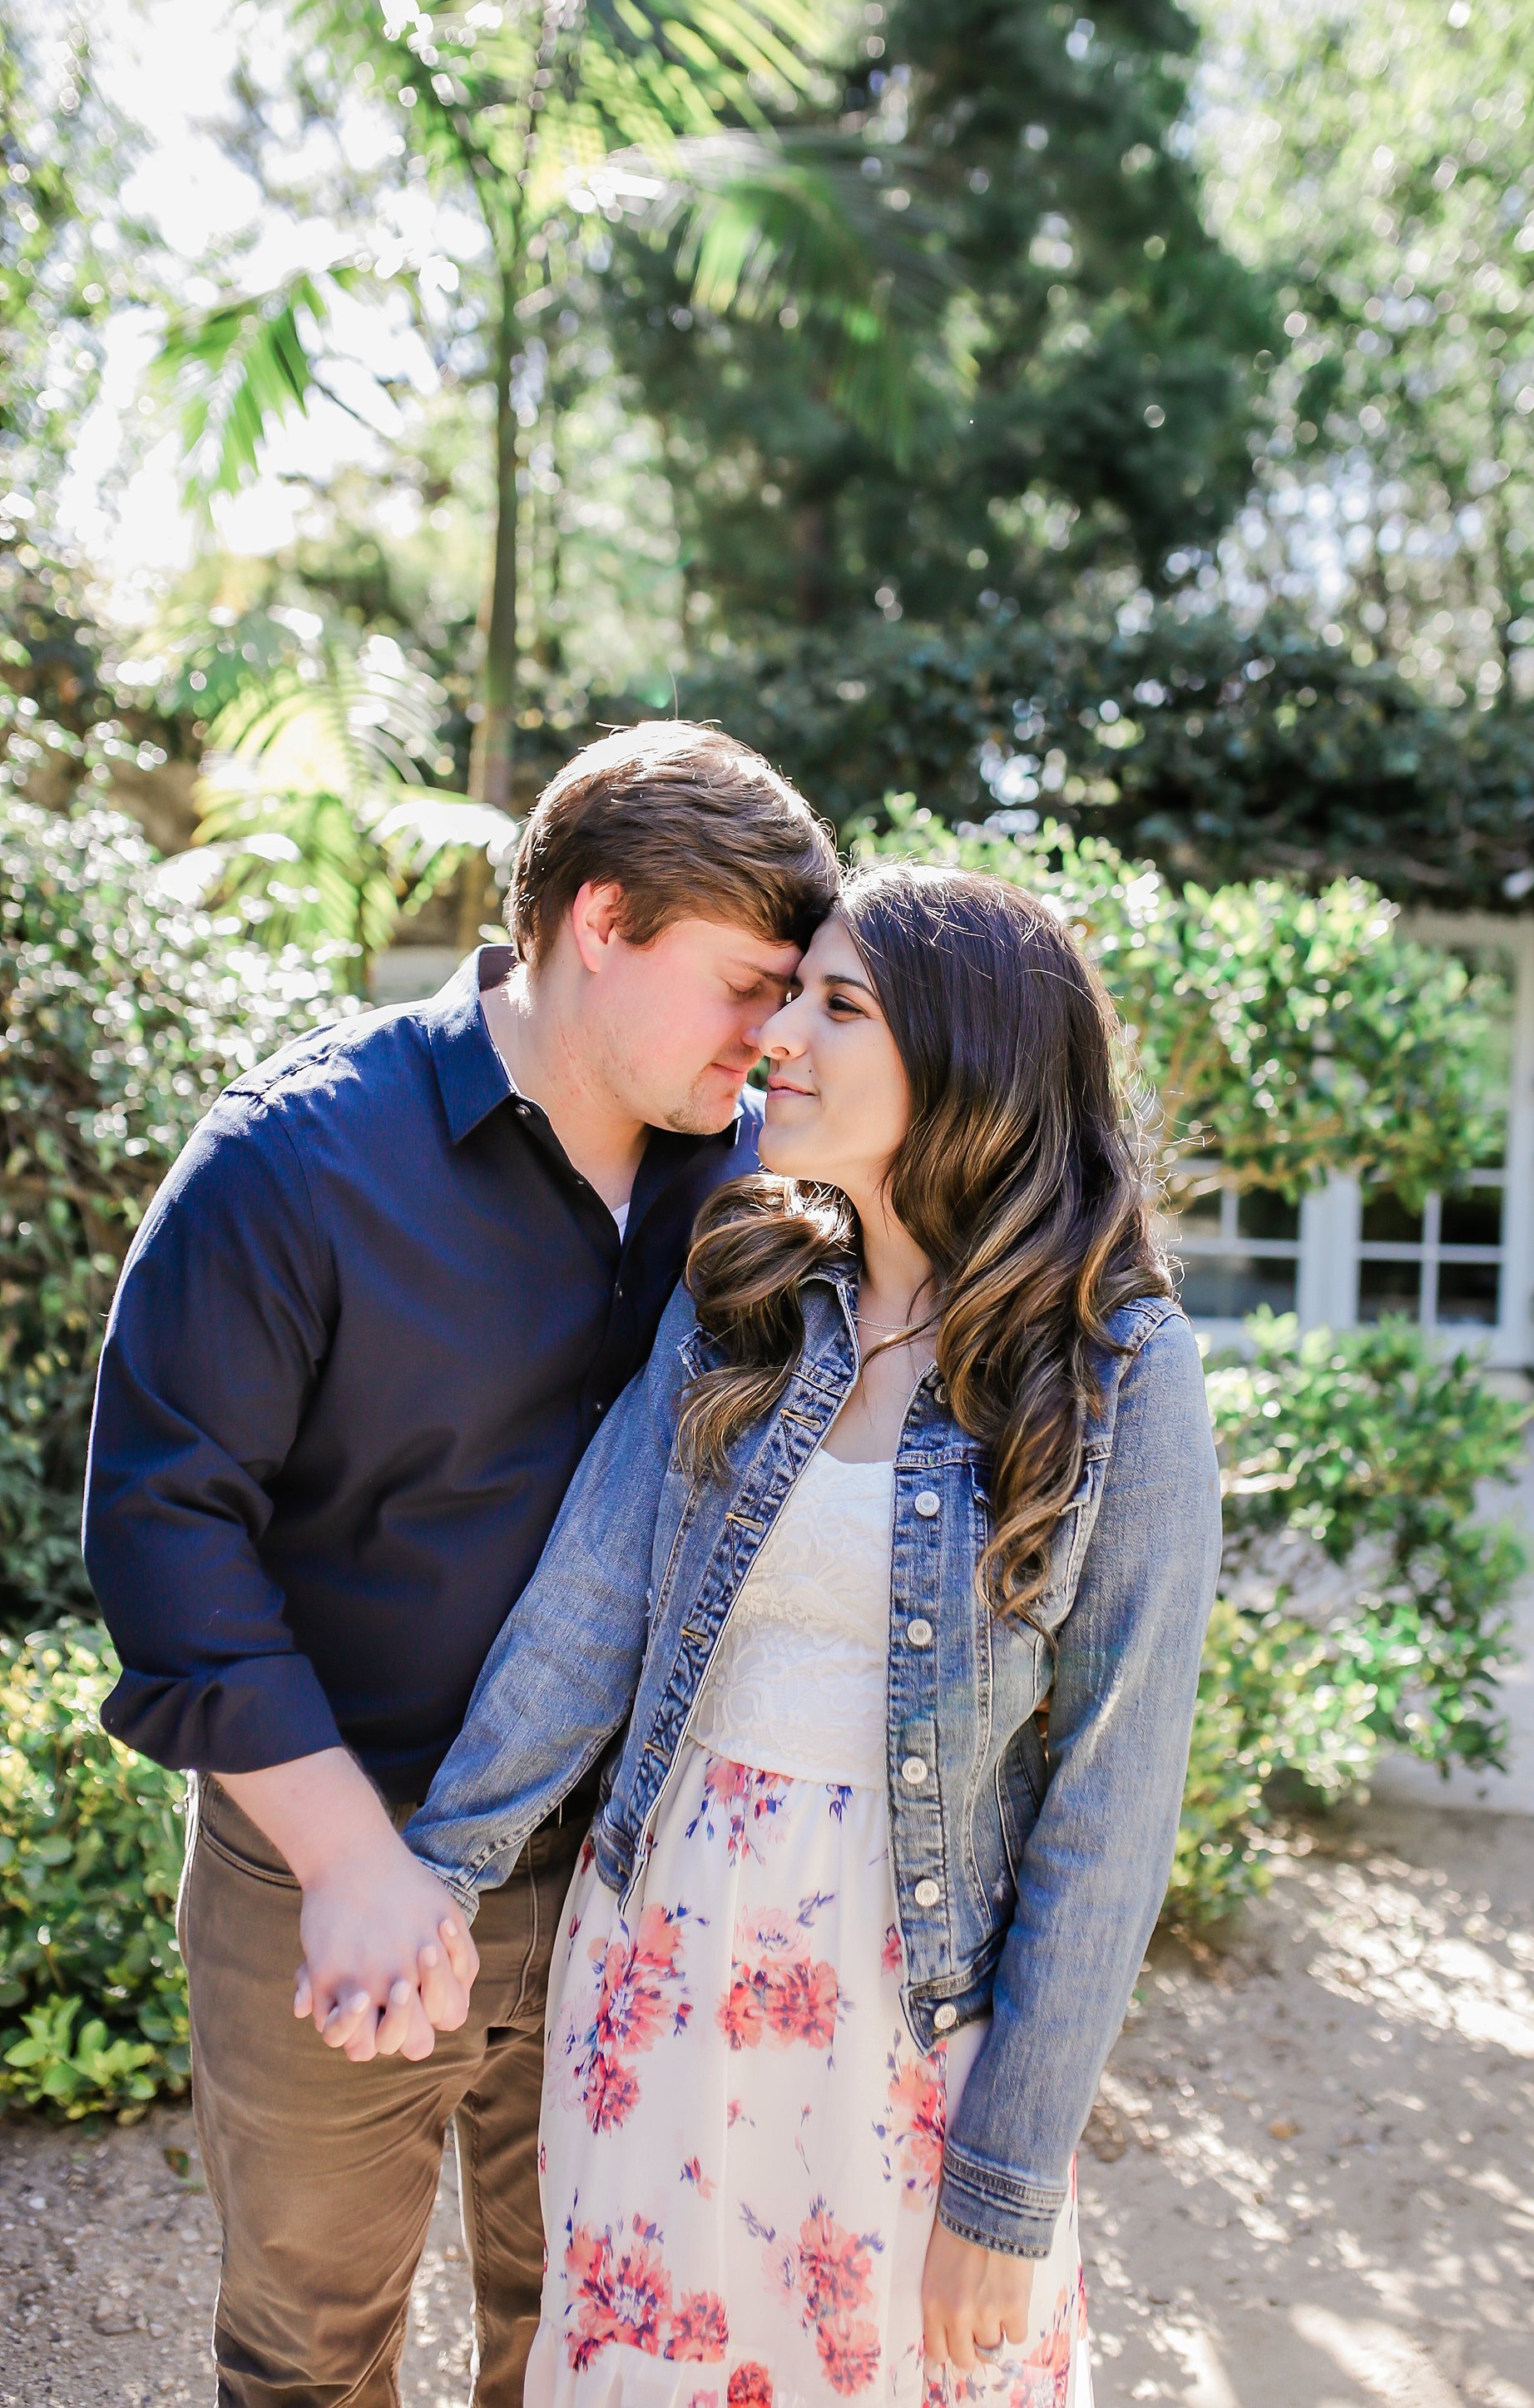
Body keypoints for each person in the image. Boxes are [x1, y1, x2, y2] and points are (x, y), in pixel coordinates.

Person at [304, 861, 1223, 2407]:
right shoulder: (749, 1288)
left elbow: (1113, 1809)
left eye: (835, 1005)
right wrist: (440, 1870)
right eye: (789, 994)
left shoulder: (1118, 1370)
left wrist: (1004, 2181)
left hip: (911, 2001)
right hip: (664, 1947)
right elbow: (590, 1611)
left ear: (971, 1061)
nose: (777, 1035)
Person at [82, 724, 841, 2408]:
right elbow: (160, 1526)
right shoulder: (290, 1163)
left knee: (585, 2342)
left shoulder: (759, 1181)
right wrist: (354, 1857)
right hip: (326, 1866)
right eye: (746, 983)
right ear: (602, 922)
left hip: (628, 1886)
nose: (772, 1034)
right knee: (310, 2352)